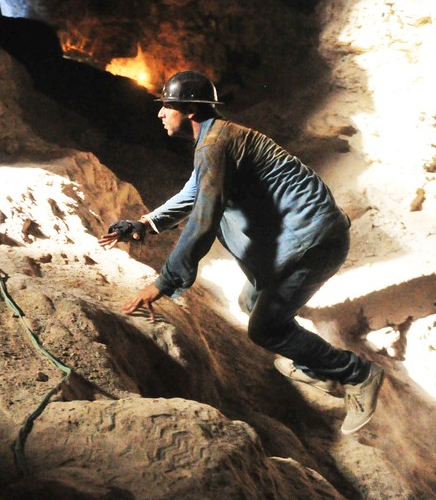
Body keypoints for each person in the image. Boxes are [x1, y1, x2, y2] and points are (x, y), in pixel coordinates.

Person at [99, 70, 384, 435]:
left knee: (265, 328)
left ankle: (358, 374)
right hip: (304, 239)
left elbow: (203, 219)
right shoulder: (219, 138)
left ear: (188, 110)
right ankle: (318, 369)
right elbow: (195, 192)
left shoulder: (215, 145)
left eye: (167, 105)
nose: (159, 113)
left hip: (313, 244)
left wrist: (164, 282)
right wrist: (146, 223)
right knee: (252, 302)